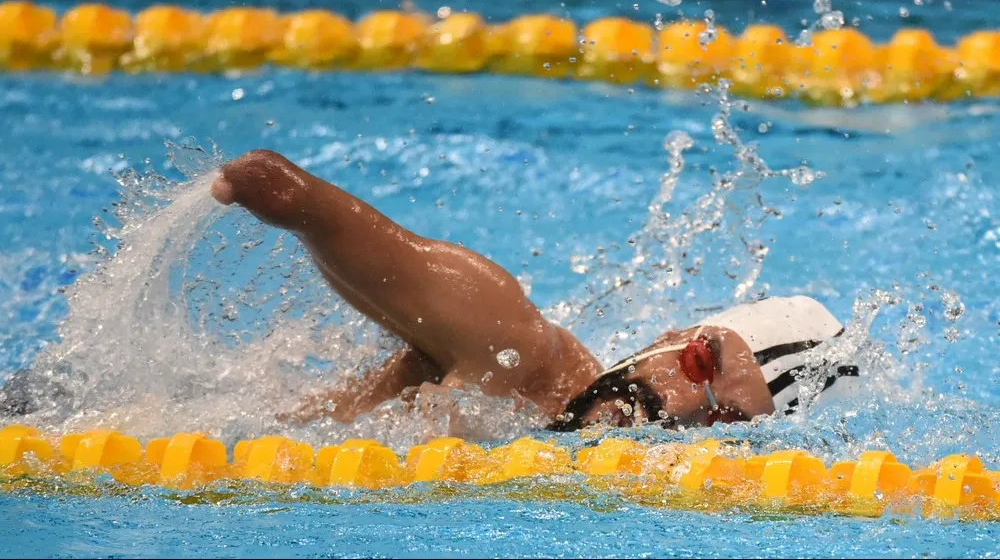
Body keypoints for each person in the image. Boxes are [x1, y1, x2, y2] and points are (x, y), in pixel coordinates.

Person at [204, 149, 859, 431]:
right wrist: (295, 200)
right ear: (669, 338)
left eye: (724, 418)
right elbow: (301, 199)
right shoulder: (509, 343)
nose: (685, 403)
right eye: (698, 363)